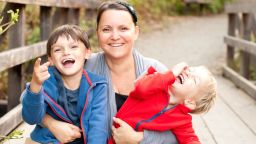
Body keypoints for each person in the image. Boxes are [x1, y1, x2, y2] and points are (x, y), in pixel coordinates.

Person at [41, 1, 178, 143]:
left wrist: (138, 138)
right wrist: (51, 124)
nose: (115, 36)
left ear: (136, 32)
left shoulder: (156, 72)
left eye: (123, 28)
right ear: (97, 33)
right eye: (106, 29)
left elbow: (179, 132)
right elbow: (34, 95)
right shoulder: (81, 66)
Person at [21, 24, 108, 144]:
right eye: (58, 49)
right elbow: (31, 118)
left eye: (73, 47)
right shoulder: (46, 82)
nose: (66, 52)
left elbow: (98, 127)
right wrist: (35, 85)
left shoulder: (97, 85)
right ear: (51, 59)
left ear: (87, 53)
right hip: (47, 141)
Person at [109, 62, 217, 144]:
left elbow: (190, 139)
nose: (188, 73)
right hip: (113, 135)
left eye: (195, 80)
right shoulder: (157, 84)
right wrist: (171, 73)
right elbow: (140, 89)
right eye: (190, 70)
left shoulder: (182, 121)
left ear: (189, 102)